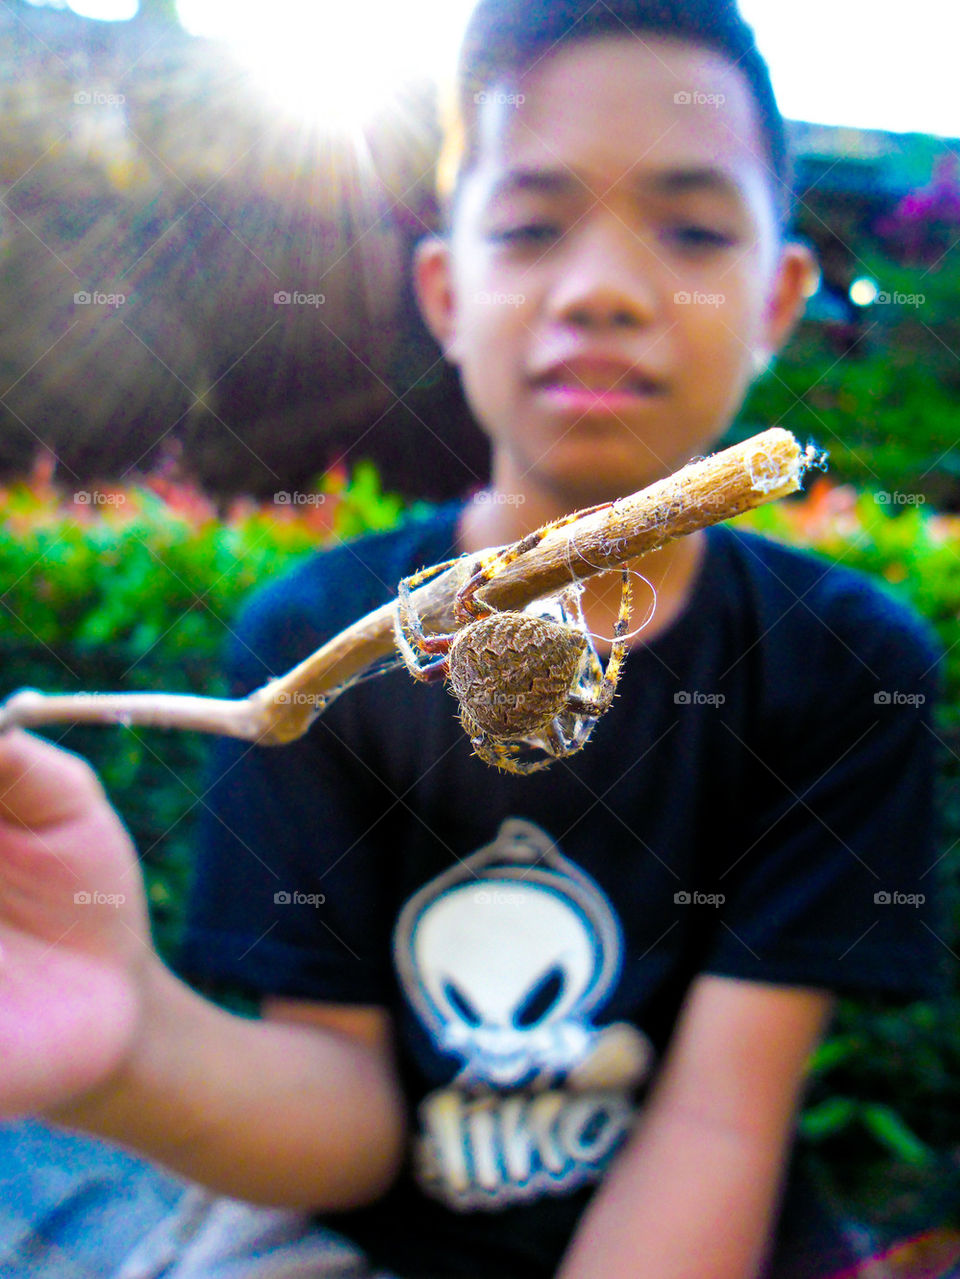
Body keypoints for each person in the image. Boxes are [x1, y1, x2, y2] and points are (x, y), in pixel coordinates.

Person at [0, 1, 946, 1277]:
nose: (605, 290)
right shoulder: (307, 632)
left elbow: (725, 1116)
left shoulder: (843, 661)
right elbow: (340, 1116)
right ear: (444, 290)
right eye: (532, 226)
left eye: (691, 229)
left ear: (781, 293)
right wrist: (130, 1048)